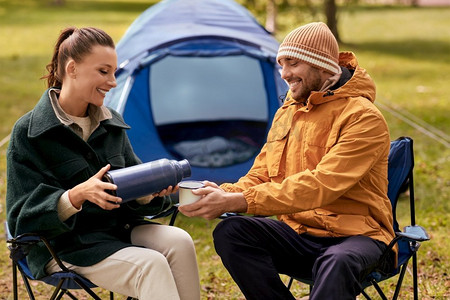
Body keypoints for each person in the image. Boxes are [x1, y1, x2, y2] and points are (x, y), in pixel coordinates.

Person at [179, 22, 396, 299]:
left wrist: (239, 201)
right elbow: (261, 174)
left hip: (359, 237)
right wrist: (223, 193)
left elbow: (322, 184)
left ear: (321, 64)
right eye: (281, 64)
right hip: (299, 235)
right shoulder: (288, 112)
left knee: (337, 260)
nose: (284, 74)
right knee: (232, 232)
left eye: (292, 64)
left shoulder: (363, 117)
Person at [6, 26, 200, 300]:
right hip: (64, 245)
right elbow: (20, 218)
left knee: (180, 241)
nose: (113, 82)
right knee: (150, 265)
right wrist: (75, 196)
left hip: (116, 232)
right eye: (103, 71)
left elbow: (132, 191)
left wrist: (148, 195)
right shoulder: (29, 133)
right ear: (72, 69)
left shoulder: (111, 124)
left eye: (113, 72)